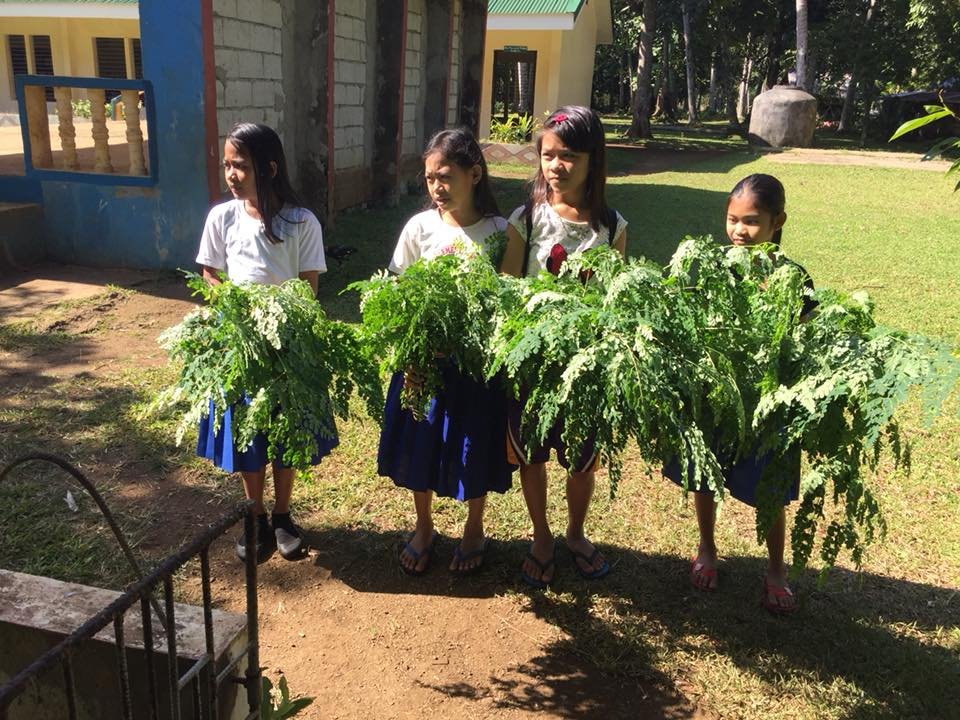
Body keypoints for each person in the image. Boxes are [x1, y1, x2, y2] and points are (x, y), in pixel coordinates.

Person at [666, 172, 814, 614]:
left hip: (766, 404)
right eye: (732, 219)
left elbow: (805, 336)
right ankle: (707, 548)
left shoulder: (792, 276)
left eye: (750, 221)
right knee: (705, 477)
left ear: (777, 221)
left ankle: (776, 571)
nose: (738, 231)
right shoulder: (714, 266)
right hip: (715, 396)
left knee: (769, 489)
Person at [500, 106, 628, 588]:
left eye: (569, 156)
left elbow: (615, 296)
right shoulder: (526, 220)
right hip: (532, 366)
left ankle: (575, 532)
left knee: (581, 458)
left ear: (594, 160)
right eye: (548, 156)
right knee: (530, 454)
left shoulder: (612, 226)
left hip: (586, 367)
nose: (556, 166)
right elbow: (508, 290)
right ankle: (541, 536)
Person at [195, 122, 334, 564]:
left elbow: (309, 288)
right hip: (240, 346)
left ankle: (282, 515)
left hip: (287, 348)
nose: (231, 174)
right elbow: (210, 274)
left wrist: (276, 318)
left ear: (269, 168)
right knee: (249, 433)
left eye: (241, 165)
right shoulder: (222, 217)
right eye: (227, 165)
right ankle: (253, 514)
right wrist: (235, 307)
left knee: (284, 431)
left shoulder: (301, 222)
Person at [378, 127, 515, 576]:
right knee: (422, 446)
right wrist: (409, 356)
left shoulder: (499, 232)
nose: (436, 187)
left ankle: (474, 528)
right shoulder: (419, 228)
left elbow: (508, 300)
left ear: (474, 174)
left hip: (476, 370)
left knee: (472, 448)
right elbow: (398, 297)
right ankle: (424, 527)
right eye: (429, 178)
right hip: (423, 366)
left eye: (445, 176)